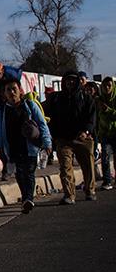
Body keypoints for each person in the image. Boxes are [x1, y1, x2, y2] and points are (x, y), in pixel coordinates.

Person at [0, 77, 52, 214]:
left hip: (30, 147)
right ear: (4, 94)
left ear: (20, 91)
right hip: (12, 148)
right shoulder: (1, 111)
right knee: (19, 174)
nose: (12, 92)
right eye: (8, 90)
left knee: (29, 173)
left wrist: (47, 142)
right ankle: (26, 197)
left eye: (14, 89)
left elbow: (42, 124)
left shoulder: (30, 106)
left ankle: (28, 198)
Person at [44, 71, 98, 204]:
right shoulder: (56, 98)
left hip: (83, 138)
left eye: (73, 80)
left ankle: (89, 190)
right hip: (63, 139)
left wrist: (86, 131)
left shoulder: (86, 98)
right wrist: (54, 136)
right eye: (68, 80)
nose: (70, 83)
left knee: (88, 166)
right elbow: (47, 114)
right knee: (65, 167)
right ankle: (69, 194)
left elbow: (92, 117)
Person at [97, 77, 115, 190]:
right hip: (105, 134)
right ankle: (107, 181)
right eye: (105, 86)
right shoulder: (99, 99)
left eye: (109, 85)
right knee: (105, 157)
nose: (107, 88)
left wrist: (107, 110)